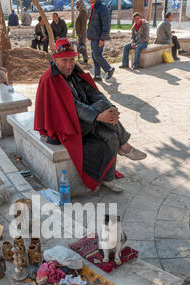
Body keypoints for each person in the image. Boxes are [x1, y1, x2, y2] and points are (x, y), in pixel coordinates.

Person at [34, 38, 147, 194]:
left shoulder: (74, 73)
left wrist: (111, 109)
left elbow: (94, 93)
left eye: (72, 60)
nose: (69, 64)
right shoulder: (49, 79)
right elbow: (73, 106)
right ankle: (125, 145)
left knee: (111, 135)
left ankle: (108, 179)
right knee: (102, 106)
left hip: (83, 121)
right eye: (64, 60)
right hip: (65, 127)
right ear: (55, 59)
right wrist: (98, 116)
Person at [86, 0, 114, 82]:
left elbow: (106, 24)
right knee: (94, 55)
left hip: (98, 37)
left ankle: (109, 69)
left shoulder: (102, 7)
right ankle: (97, 75)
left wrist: (102, 38)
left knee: (97, 55)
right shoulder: (94, 6)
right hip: (94, 36)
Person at [75, 0, 88, 64]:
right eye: (76, 4)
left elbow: (83, 24)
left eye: (78, 4)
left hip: (81, 33)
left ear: (81, 4)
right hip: (80, 33)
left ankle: (85, 60)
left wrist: (81, 34)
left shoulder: (83, 12)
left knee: (82, 46)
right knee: (80, 46)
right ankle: (81, 59)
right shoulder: (80, 11)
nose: (76, 6)